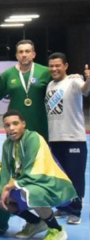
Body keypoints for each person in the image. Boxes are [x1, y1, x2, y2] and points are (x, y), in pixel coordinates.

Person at [0, 110, 76, 240]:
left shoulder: (34, 138)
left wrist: (9, 187)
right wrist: (2, 188)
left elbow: (35, 169)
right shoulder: (8, 144)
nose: (11, 128)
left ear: (23, 124)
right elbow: (6, 170)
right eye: (7, 125)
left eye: (15, 123)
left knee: (30, 192)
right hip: (25, 181)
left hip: (49, 181)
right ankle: (35, 222)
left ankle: (56, 229)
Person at [45, 52, 89, 224]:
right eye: (52, 66)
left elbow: (85, 90)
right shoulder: (49, 85)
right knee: (59, 177)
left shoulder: (73, 81)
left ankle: (75, 212)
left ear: (65, 66)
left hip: (73, 138)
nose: (54, 69)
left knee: (75, 177)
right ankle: (63, 207)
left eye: (58, 65)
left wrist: (88, 79)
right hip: (55, 139)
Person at [0, 39, 52, 140]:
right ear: (17, 55)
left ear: (33, 54)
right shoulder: (7, 75)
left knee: (39, 155)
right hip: (15, 127)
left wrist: (72, 77)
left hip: (40, 124)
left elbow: (61, 83)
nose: (24, 54)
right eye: (21, 52)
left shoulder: (46, 72)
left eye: (27, 51)